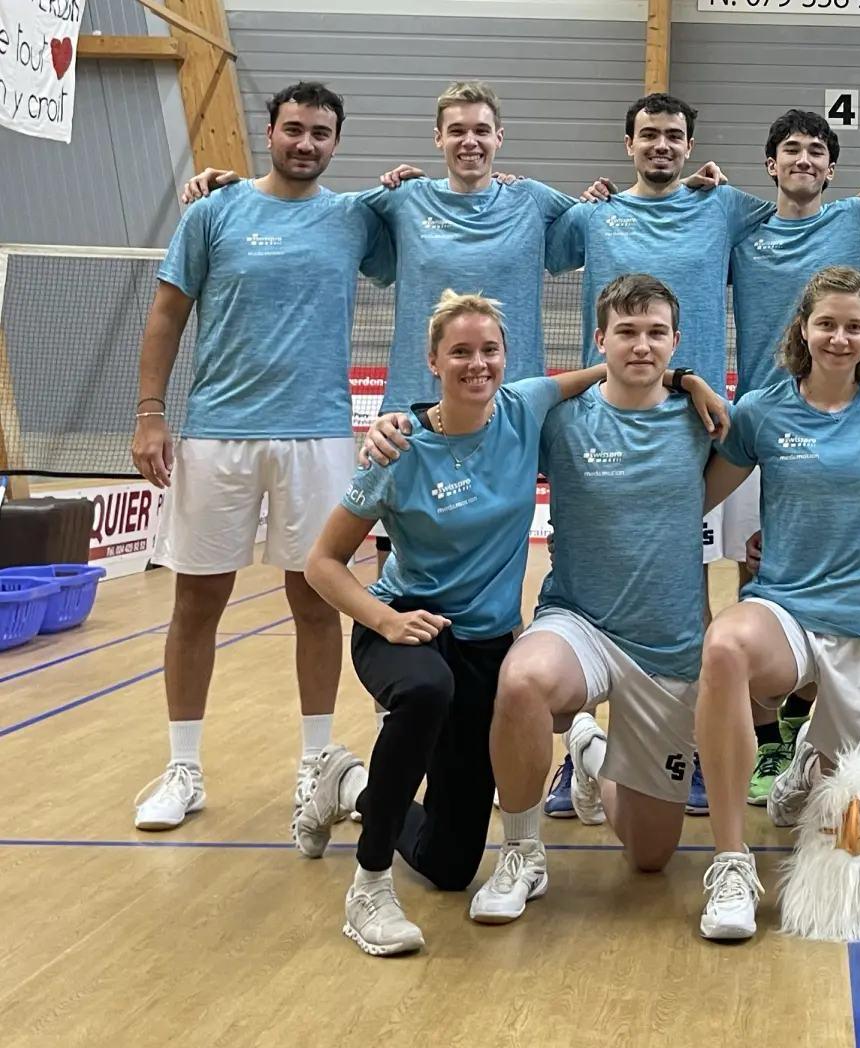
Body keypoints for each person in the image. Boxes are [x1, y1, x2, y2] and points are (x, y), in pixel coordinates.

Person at [297, 289, 724, 956]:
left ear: (506, 357)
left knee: (451, 864)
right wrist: (383, 620)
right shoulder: (400, 445)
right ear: (432, 361)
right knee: (428, 692)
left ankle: (349, 784)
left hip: (487, 644)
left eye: (489, 350)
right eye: (460, 352)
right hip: (411, 628)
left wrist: (683, 377)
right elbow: (321, 562)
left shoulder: (524, 409)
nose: (477, 363)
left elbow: (614, 368)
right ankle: (370, 885)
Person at [129, 81, 394, 834]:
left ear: (336, 143)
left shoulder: (355, 218)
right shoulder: (213, 212)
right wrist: (150, 413)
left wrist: (410, 185)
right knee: (195, 604)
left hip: (318, 437)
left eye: (320, 133)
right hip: (218, 434)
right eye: (293, 129)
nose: (306, 143)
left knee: (315, 602)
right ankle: (183, 768)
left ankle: (316, 764)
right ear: (269, 132)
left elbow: (436, 225)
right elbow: (166, 315)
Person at [180, 81, 581, 575]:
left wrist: (614, 193)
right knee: (401, 556)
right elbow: (307, 202)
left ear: (500, 136)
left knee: (497, 556)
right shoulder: (403, 199)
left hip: (507, 412)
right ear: (437, 137)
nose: (469, 141)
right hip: (412, 413)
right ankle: (396, 626)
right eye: (457, 130)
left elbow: (606, 222)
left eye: (481, 130)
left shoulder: (534, 201)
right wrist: (233, 188)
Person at [543, 91, 774, 818]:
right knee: (589, 582)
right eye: (650, 134)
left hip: (694, 425)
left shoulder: (724, 205)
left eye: (674, 135)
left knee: (693, 595)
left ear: (691, 145)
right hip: (605, 426)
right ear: (628, 144)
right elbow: (530, 237)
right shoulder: (593, 216)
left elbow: (805, 208)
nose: (662, 145)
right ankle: (578, 752)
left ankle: (694, 748)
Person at [466, 274, 716, 922]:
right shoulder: (559, 421)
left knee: (650, 857)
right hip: (579, 621)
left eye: (656, 333)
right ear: (599, 339)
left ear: (676, 341)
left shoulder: (703, 419)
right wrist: (397, 426)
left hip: (666, 648)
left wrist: (691, 382)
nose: (642, 345)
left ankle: (588, 751)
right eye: (626, 332)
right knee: (522, 681)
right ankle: (521, 854)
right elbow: (470, 420)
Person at [694, 266, 860, 941]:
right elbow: (695, 498)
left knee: (853, 839)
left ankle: (808, 767)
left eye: (854, 327)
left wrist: (854, 536)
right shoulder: (761, 412)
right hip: (784, 606)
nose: (840, 338)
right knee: (725, 647)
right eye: (827, 324)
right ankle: (732, 863)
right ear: (803, 328)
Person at [726, 109, 860, 806]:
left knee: (840, 591)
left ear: (833, 168)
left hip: (844, 428)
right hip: (765, 429)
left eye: (816, 151)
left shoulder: (858, 217)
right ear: (769, 164)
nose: (803, 160)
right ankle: (766, 741)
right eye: (790, 150)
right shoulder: (741, 225)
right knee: (754, 583)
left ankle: (807, 731)